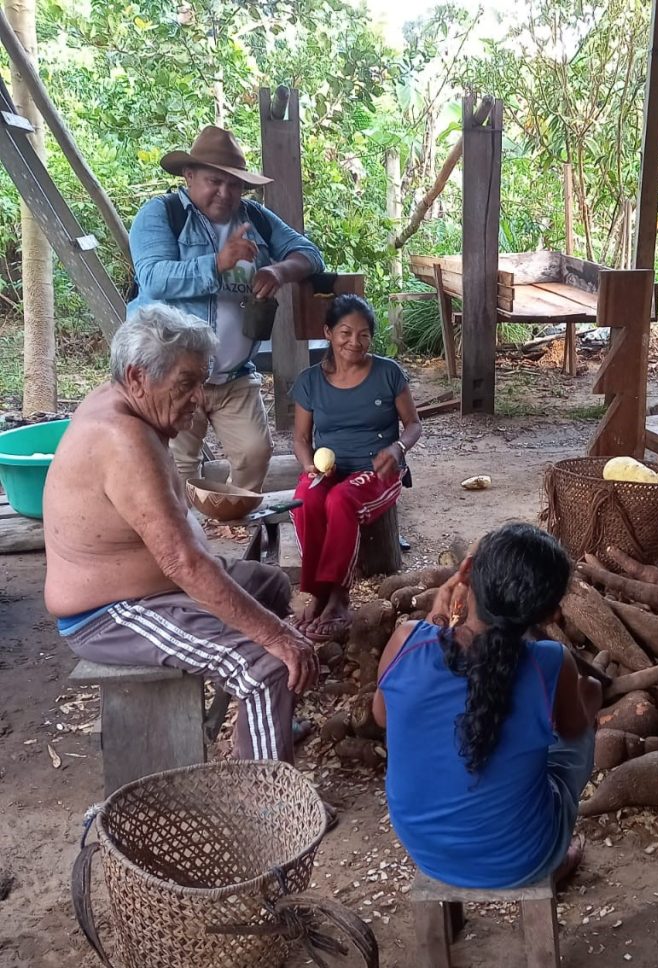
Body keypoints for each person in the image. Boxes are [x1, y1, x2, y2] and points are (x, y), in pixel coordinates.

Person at [43, 304, 318, 762]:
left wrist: (267, 623)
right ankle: (270, 808)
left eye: (201, 382)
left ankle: (265, 728)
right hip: (111, 612)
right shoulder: (122, 440)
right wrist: (274, 636)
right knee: (266, 663)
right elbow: (182, 563)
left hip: (157, 586)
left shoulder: (128, 402)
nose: (198, 398)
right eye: (186, 384)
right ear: (137, 377)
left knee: (268, 584)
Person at [372, 523, 602, 889]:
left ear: (465, 574)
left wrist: (437, 615)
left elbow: (382, 716)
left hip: (425, 847)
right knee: (577, 736)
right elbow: (572, 731)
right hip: (523, 858)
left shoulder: (405, 641)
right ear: (548, 616)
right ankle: (555, 860)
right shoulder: (551, 662)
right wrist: (589, 697)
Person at [128, 125, 325, 491]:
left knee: (254, 453)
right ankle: (187, 536)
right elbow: (154, 278)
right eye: (214, 181)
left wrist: (278, 270)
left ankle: (232, 518)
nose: (225, 192)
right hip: (173, 374)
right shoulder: (161, 215)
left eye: (234, 184)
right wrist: (217, 263)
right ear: (189, 176)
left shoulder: (256, 220)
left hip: (233, 374)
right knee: (177, 465)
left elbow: (311, 255)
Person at [291, 295, 422, 641]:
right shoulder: (310, 381)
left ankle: (339, 597)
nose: (354, 342)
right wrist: (309, 467)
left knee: (341, 501)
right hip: (331, 468)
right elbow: (301, 439)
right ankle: (317, 591)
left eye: (363, 335)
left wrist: (397, 448)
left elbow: (413, 425)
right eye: (345, 333)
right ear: (329, 333)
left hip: (379, 471)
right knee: (306, 497)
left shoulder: (388, 373)